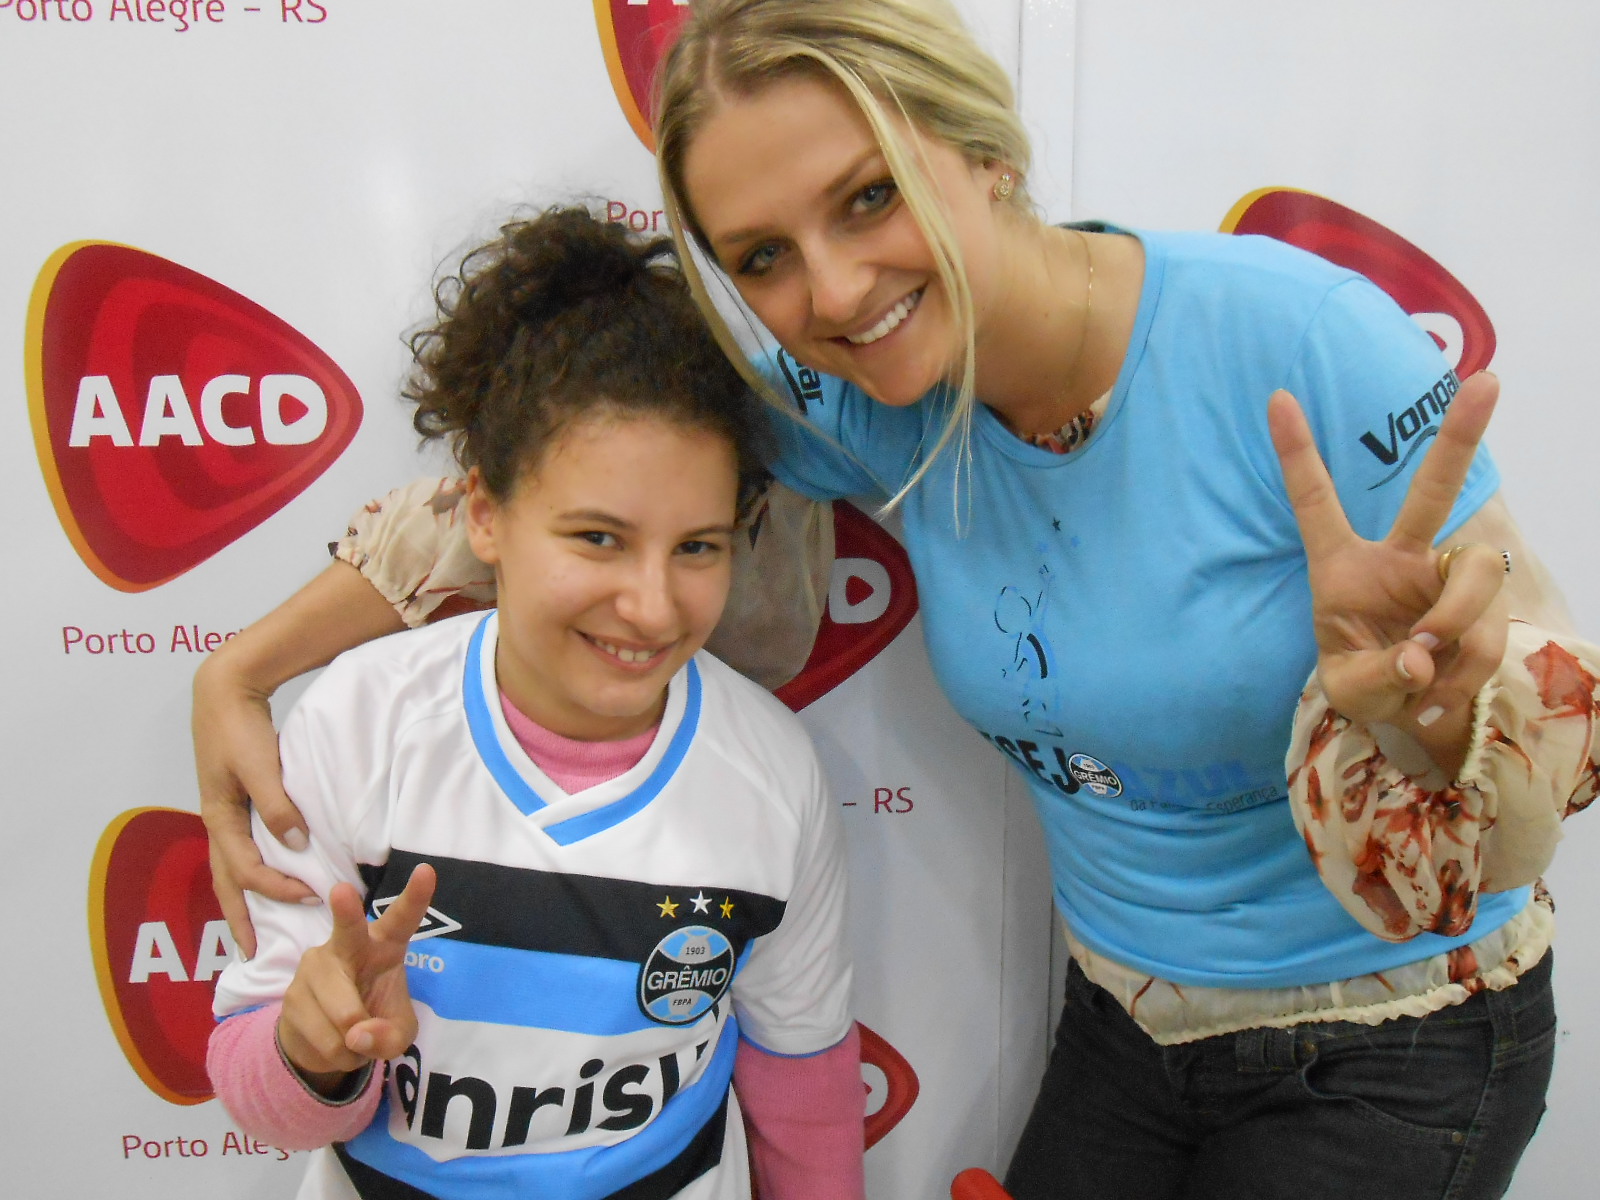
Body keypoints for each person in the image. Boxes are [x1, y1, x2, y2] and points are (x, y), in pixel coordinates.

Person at [194, 2, 1600, 1197]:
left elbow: (1541, 753)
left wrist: (1438, 720)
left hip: (1401, 1037)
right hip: (1126, 1019)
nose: (836, 289)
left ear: (982, 147)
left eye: (869, 198)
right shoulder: (875, 402)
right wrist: (243, 669)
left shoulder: (1295, 341)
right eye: (761, 258)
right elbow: (540, 486)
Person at [205, 207, 865, 1200]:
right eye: (597, 538)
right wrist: (317, 1053)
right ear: (484, 513)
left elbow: (801, 1070)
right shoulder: (357, 724)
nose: (649, 606)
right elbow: (259, 1091)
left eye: (697, 545)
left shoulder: (769, 774)